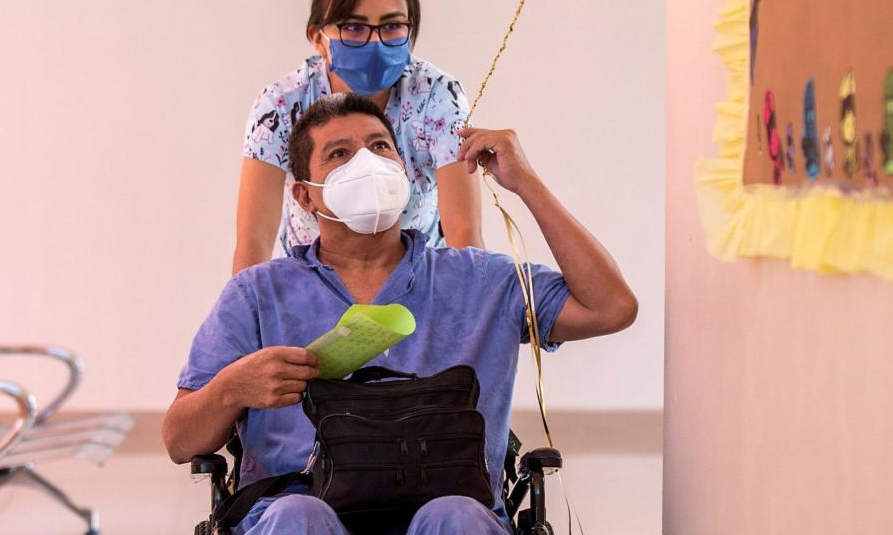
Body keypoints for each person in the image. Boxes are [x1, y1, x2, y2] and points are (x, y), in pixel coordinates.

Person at [164, 93, 638, 534]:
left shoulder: (480, 281)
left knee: (454, 516)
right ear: (305, 196)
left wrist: (526, 183)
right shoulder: (258, 294)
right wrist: (231, 389)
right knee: (297, 516)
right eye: (339, 154)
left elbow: (611, 307)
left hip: (452, 505)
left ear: (405, 172)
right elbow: (179, 440)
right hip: (298, 507)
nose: (366, 162)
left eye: (380, 146)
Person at [234, 0, 482, 274]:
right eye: (353, 27)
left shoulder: (437, 97)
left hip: (415, 285)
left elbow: (465, 235)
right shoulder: (281, 105)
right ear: (318, 38)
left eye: (392, 26)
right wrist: (242, 318)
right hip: (310, 283)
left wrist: (471, 314)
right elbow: (252, 242)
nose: (375, 42)